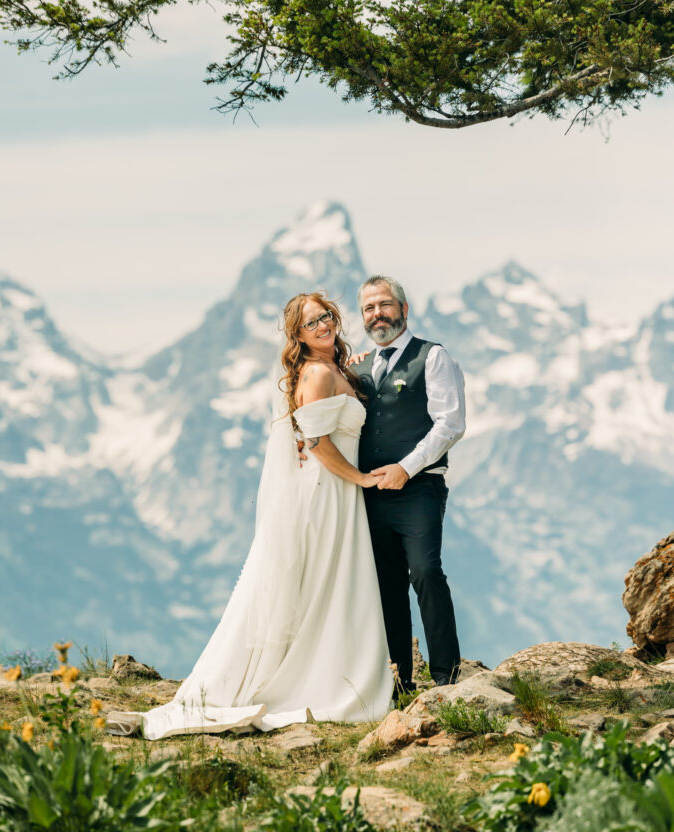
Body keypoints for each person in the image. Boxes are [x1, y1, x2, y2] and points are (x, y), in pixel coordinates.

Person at [105, 292, 393, 738]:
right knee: (320, 586)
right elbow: (315, 443)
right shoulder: (316, 373)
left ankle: (323, 667)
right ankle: (305, 679)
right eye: (311, 322)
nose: (322, 325)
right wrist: (358, 479)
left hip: (336, 492)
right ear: (297, 334)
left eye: (327, 316)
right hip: (326, 492)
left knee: (325, 588)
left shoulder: (333, 368)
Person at [353, 275, 466, 691]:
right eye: (368, 307)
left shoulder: (433, 357)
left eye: (384, 305)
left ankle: (447, 678)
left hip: (419, 488)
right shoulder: (359, 368)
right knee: (385, 583)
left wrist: (407, 467)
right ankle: (398, 683)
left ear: (404, 309)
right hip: (369, 492)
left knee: (425, 572)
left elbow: (451, 424)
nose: (377, 313)